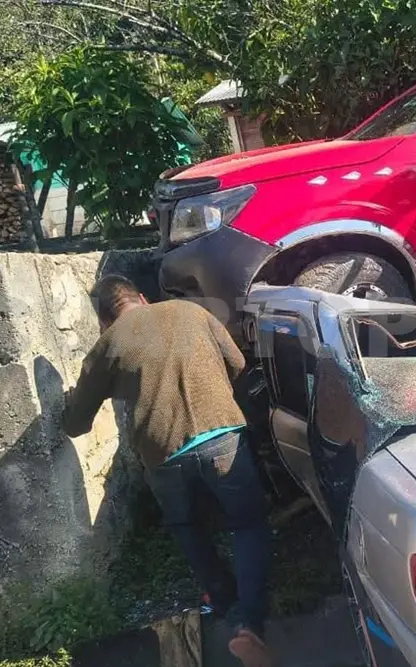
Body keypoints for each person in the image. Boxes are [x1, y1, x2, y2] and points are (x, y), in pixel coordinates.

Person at [61, 275, 273, 667]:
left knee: (187, 528)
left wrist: (70, 404)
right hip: (222, 437)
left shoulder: (108, 344)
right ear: (142, 298)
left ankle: (225, 604)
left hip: (163, 455)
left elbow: (76, 424)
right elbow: (238, 363)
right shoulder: (191, 311)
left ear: (104, 319)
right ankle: (251, 623)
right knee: (247, 524)